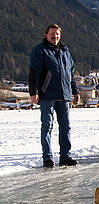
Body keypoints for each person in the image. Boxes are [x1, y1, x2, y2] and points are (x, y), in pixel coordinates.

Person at [29, 24, 79, 168]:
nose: (55, 36)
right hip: (47, 95)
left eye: (57, 34)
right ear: (46, 35)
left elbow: (71, 74)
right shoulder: (40, 51)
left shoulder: (65, 51)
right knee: (47, 126)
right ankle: (48, 158)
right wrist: (34, 92)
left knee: (66, 127)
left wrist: (74, 91)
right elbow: (34, 72)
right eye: (52, 34)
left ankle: (65, 156)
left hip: (64, 95)